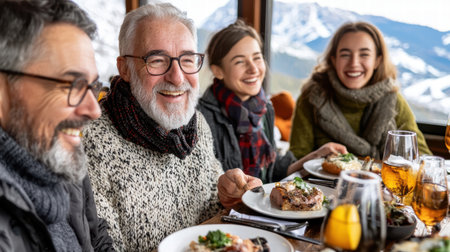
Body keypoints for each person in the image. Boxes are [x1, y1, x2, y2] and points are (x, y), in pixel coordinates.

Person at [82, 3, 261, 251]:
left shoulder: (196, 126)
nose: (177, 77)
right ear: (125, 68)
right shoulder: (91, 142)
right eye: (157, 60)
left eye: (187, 60)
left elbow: (211, 210)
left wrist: (229, 199)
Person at [0, 0, 114, 251]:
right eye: (72, 85)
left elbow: (95, 236)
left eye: (93, 87)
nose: (95, 111)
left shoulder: (54, 156)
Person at [197, 20, 347, 183]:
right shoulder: (202, 119)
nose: (253, 69)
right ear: (218, 71)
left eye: (257, 58)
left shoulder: (264, 108)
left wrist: (316, 155)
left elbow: (273, 171)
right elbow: (208, 189)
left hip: (260, 202)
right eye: (240, 61)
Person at [289, 21, 432, 160]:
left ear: (377, 61)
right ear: (334, 60)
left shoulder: (393, 100)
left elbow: (422, 158)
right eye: (345, 54)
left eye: (364, 54)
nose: (354, 63)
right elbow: (296, 159)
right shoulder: (312, 98)